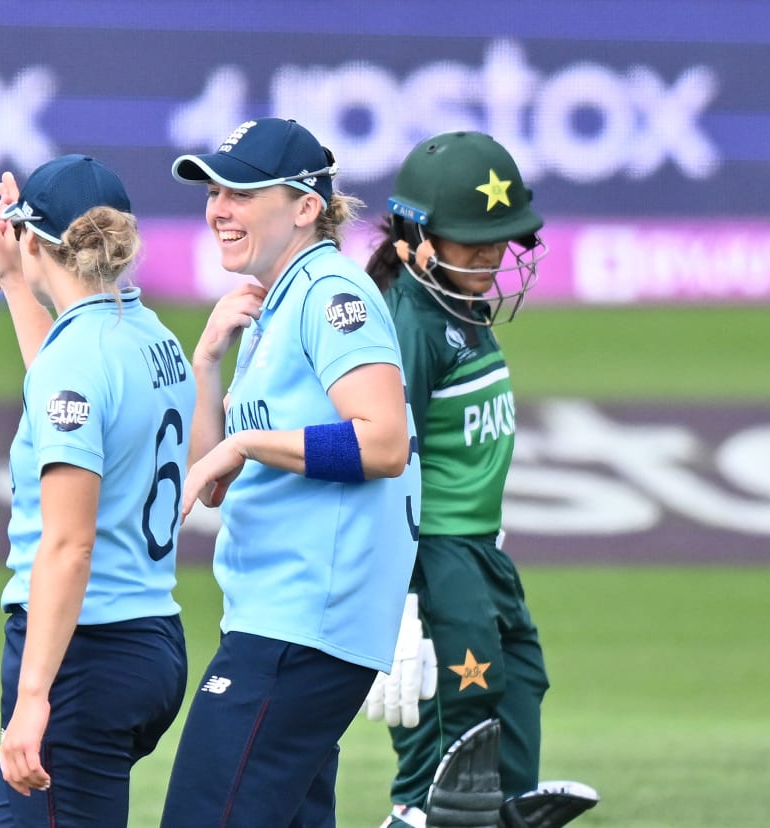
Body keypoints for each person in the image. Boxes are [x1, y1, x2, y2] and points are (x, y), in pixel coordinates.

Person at [159, 117, 420, 827]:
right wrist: (207, 360)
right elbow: (212, 484)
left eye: (241, 192)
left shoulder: (331, 294)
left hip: (302, 624)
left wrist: (245, 446)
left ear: (306, 207)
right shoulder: (277, 301)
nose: (219, 208)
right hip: (285, 621)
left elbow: (382, 443)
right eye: (214, 191)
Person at [361, 131, 598, 828]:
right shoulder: (410, 322)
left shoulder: (458, 306)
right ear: (417, 236)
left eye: (503, 238)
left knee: (519, 681)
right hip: (431, 557)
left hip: (481, 556)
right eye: (474, 239)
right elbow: (384, 457)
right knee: (448, 741)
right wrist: (397, 597)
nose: (493, 255)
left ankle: (503, 811)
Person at [0, 156, 194, 826]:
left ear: (38, 241)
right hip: (151, 637)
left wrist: (34, 694)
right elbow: (66, 386)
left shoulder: (77, 361)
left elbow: (70, 545)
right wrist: (16, 285)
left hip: (84, 652)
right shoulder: (150, 334)